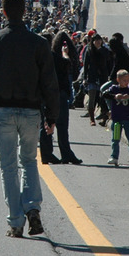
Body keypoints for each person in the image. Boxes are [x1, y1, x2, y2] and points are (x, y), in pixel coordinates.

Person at [0, 0, 58, 238]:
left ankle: (15, 222)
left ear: (3, 12)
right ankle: (32, 207)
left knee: (9, 167)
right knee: (30, 161)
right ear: (25, 11)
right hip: (32, 110)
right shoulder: (39, 43)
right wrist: (51, 116)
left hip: (2, 110)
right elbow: (49, 83)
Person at [49, 30, 82, 164]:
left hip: (51, 93)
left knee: (51, 125)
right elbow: (67, 63)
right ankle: (66, 153)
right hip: (60, 93)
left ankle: (52, 152)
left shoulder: (49, 55)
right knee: (62, 126)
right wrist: (65, 53)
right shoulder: (60, 57)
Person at [101, 70, 129, 166]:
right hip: (117, 118)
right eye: (124, 80)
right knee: (115, 139)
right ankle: (114, 157)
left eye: (127, 80)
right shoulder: (114, 89)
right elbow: (104, 94)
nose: (126, 82)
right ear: (118, 80)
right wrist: (115, 96)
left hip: (127, 118)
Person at [82, 33, 113, 126]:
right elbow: (86, 65)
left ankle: (104, 117)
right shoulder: (89, 51)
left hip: (103, 78)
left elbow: (109, 62)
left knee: (103, 99)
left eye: (100, 40)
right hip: (92, 77)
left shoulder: (105, 51)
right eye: (96, 40)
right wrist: (85, 78)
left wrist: (109, 76)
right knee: (92, 98)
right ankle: (92, 119)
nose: (98, 42)